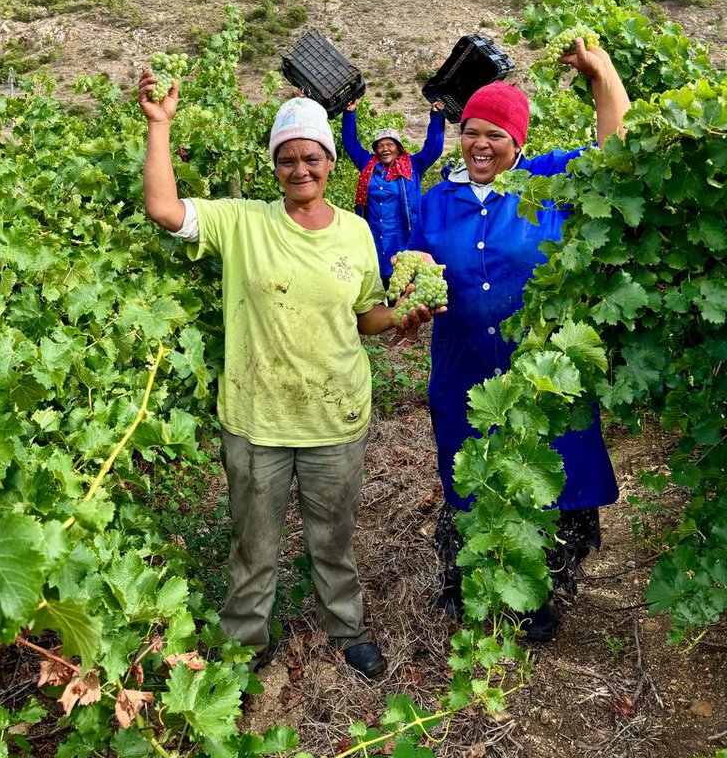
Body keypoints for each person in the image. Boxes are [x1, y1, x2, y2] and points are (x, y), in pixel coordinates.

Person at [139, 75, 418, 680]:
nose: (300, 169)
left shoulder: (356, 231)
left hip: (334, 414)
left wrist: (401, 314)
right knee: (253, 546)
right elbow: (164, 209)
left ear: (330, 161)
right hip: (257, 416)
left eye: (311, 157)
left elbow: (365, 315)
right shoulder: (243, 223)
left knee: (333, 538)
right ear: (274, 166)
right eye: (286, 159)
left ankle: (346, 627)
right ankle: (245, 643)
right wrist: (159, 125)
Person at [404, 40, 631, 640]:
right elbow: (410, 271)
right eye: (472, 131)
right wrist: (407, 301)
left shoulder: (549, 182)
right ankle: (475, 581)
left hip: (540, 375)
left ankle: (538, 589)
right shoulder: (436, 202)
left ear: (518, 143)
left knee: (546, 470)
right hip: (463, 367)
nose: (481, 144)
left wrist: (602, 74)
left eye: (495, 136)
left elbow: (619, 152)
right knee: (472, 471)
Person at [341, 99, 446, 286]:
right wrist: (350, 113)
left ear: (398, 148)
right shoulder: (368, 165)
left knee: (404, 291)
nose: (384, 148)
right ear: (375, 151)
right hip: (374, 239)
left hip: (404, 239)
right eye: (380, 145)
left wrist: (436, 116)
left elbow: (434, 148)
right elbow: (350, 144)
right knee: (378, 292)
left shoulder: (413, 165)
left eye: (389, 144)